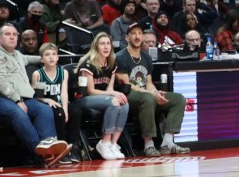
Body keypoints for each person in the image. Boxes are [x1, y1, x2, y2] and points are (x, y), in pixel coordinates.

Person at [0, 23, 71, 166]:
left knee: (44, 109)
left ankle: (49, 145)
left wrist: (46, 58)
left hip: (24, 97)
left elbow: (28, 58)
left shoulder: (15, 53)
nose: (12, 37)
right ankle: (42, 155)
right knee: (19, 114)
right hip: (0, 98)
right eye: (8, 34)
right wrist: (17, 100)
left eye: (15, 34)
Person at [115, 22, 190, 156]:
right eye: (133, 34)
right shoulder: (120, 57)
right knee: (148, 98)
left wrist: (155, 92)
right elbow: (127, 84)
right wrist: (151, 93)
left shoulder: (146, 57)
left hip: (146, 93)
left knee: (178, 99)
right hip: (128, 95)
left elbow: (148, 82)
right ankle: (148, 145)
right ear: (127, 38)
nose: (137, 37)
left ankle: (167, 143)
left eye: (139, 33)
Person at [77, 32, 131, 160]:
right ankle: (104, 142)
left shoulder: (111, 64)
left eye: (108, 44)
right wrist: (113, 94)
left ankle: (113, 143)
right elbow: (90, 91)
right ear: (96, 47)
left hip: (103, 98)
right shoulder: (88, 64)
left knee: (124, 103)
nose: (106, 47)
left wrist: (114, 93)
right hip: (83, 99)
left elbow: (110, 89)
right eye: (102, 44)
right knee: (114, 101)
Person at [30, 43, 81, 163]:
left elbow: (64, 93)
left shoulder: (63, 72)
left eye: (54, 54)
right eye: (47, 55)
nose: (51, 57)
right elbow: (37, 97)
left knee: (76, 111)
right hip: (46, 104)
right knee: (59, 113)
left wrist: (65, 108)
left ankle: (73, 146)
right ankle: (60, 148)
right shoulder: (38, 74)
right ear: (42, 59)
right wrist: (47, 100)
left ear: (58, 57)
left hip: (60, 102)